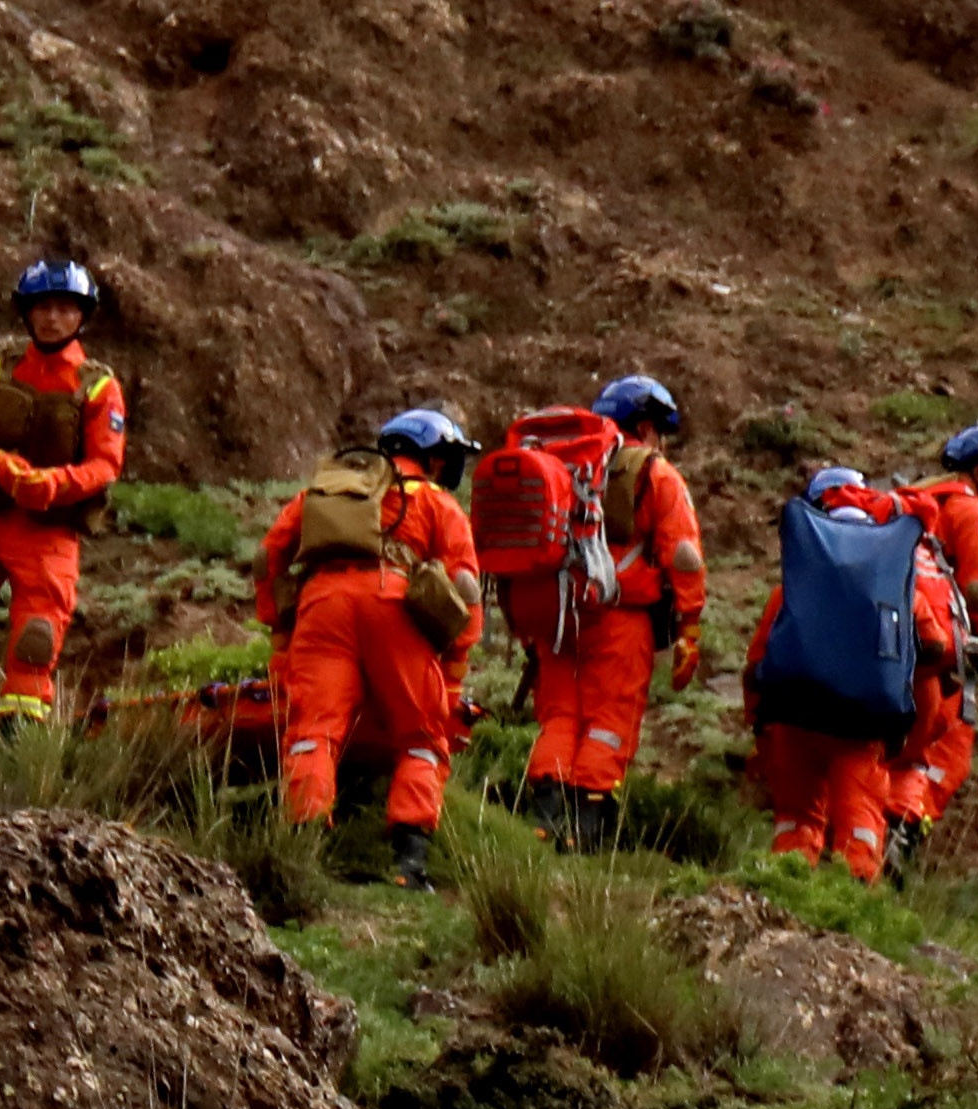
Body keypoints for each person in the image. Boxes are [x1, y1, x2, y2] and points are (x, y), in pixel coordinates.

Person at [256, 409, 486, 885]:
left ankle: (304, 846)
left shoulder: (327, 493)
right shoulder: (437, 504)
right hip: (392, 603)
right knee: (422, 737)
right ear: (435, 460)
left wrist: (280, 636)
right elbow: (465, 588)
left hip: (322, 608)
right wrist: (454, 674)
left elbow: (267, 557)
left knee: (312, 731)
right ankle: (410, 859)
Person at [0, 260, 130, 722]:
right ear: (27, 313)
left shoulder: (98, 387)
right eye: (43, 307)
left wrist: (52, 484)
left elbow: (105, 464)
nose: (53, 318)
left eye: (64, 308)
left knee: (36, 641)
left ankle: (19, 743)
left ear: (82, 316)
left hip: (47, 536)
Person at [748, 465, 967, 880]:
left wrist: (760, 727)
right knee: (861, 824)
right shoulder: (897, 590)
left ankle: (784, 892)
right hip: (861, 729)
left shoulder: (790, 591)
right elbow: (937, 647)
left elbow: (757, 665)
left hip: (796, 722)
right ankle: (852, 911)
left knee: (796, 818)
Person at [519, 372, 707, 845]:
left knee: (559, 715)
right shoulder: (651, 472)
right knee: (609, 722)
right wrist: (690, 627)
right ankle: (585, 827)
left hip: (555, 612)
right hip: (619, 618)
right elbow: (683, 554)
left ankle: (543, 817)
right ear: (644, 427)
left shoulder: (559, 468)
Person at [890, 422, 978, 848]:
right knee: (943, 757)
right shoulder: (970, 511)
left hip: (892, 645)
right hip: (935, 655)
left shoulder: (912, 503)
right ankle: (897, 842)